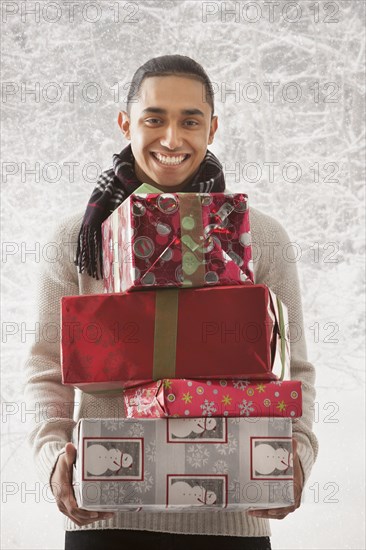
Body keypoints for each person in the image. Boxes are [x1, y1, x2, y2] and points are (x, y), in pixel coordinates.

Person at [24, 54, 318, 550]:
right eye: (154, 118)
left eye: (190, 120)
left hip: (233, 514)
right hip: (106, 515)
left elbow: (295, 368)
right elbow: (45, 369)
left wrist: (298, 456)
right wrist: (54, 457)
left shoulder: (260, 236)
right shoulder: (80, 238)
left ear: (212, 127)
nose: (172, 138)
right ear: (126, 123)